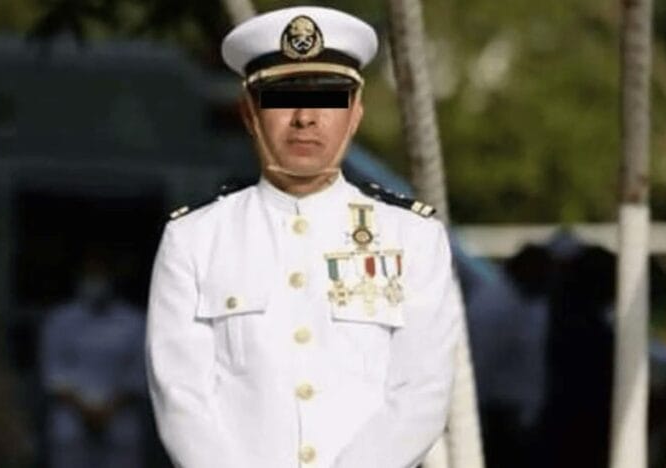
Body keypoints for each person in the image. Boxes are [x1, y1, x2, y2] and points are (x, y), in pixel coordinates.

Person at [145, 6, 461, 468]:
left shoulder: (412, 236)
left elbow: (422, 392)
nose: (305, 118)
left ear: (355, 113)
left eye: (329, 98)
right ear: (250, 112)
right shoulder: (194, 238)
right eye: (282, 97)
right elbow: (182, 398)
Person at [41, 250, 147, 468]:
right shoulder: (59, 320)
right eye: (90, 274)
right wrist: (84, 410)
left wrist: (109, 409)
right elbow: (53, 375)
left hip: (119, 426)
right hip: (72, 426)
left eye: (100, 274)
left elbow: (138, 375)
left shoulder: (134, 322)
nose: (96, 281)